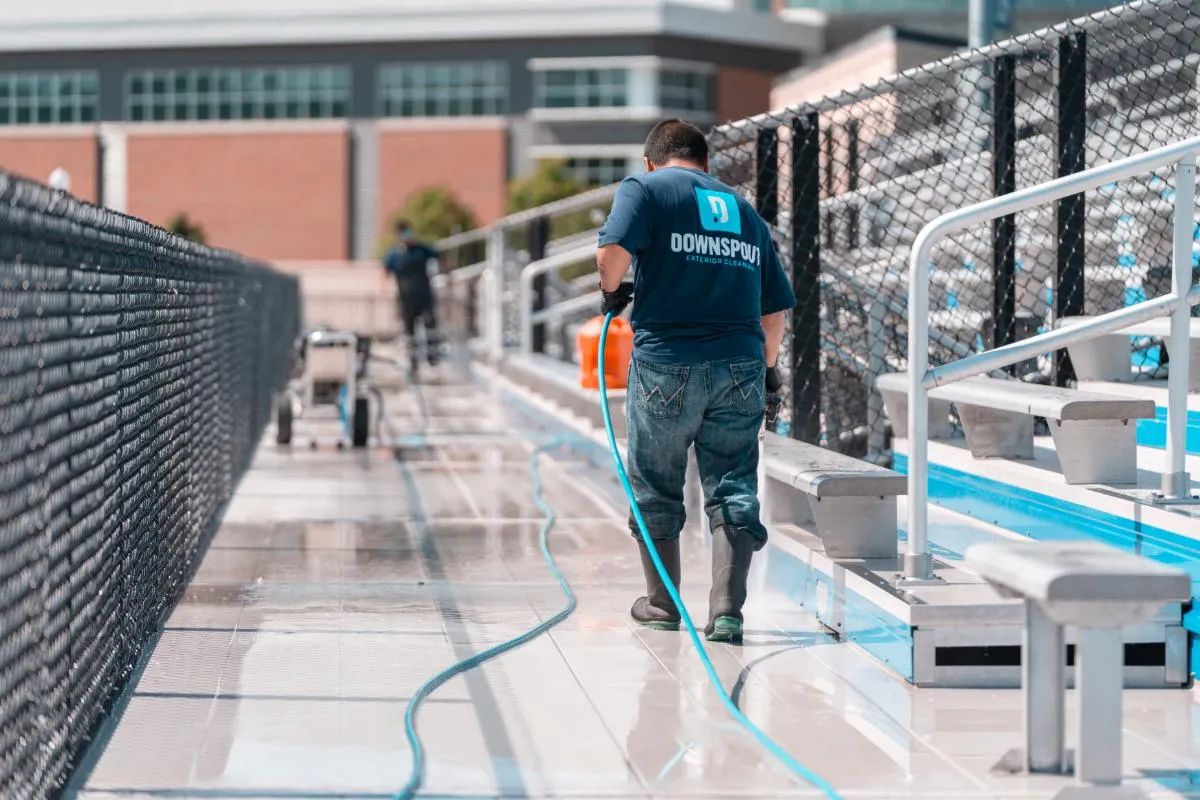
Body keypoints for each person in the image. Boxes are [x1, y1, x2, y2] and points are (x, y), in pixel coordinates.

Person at [596, 119, 794, 644]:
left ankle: (662, 603)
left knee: (656, 482)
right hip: (741, 365)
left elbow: (610, 255)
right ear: (706, 163)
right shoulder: (744, 210)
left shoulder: (645, 188)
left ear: (651, 160)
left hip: (667, 362)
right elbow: (774, 309)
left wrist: (611, 290)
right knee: (732, 483)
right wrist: (768, 370)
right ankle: (727, 611)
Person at [383, 219, 441, 373]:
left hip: (424, 295)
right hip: (406, 298)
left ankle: (432, 356)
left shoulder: (421, 250)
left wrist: (447, 274)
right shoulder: (395, 254)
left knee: (430, 323)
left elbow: (439, 256)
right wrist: (384, 289)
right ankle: (413, 361)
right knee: (410, 330)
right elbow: (385, 271)